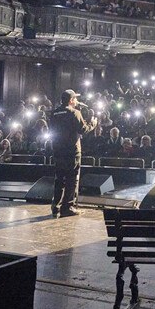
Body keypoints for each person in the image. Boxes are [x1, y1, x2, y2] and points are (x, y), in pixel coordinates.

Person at [50, 89, 97, 217]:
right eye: (75, 98)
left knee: (59, 179)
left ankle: (56, 206)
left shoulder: (54, 113)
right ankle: (68, 207)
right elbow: (83, 130)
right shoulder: (74, 112)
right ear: (71, 100)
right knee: (72, 179)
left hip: (58, 150)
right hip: (72, 151)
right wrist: (92, 124)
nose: (76, 100)